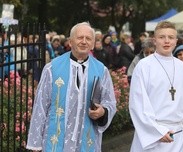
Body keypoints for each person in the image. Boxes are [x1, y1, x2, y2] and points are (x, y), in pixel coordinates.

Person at [26, 22, 117, 152]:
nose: (84, 42)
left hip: (87, 141)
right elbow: (40, 105)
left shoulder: (101, 71)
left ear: (92, 44)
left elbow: (110, 102)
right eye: (80, 37)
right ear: (71, 41)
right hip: (55, 142)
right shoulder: (52, 68)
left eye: (88, 38)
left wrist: (103, 112)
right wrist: (36, 143)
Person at [128, 21, 183, 152]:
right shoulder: (144, 66)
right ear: (154, 40)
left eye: (170, 37)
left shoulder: (181, 66)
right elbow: (138, 105)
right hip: (154, 137)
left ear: (176, 41)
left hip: (177, 135)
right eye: (161, 37)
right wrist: (157, 132)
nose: (166, 41)